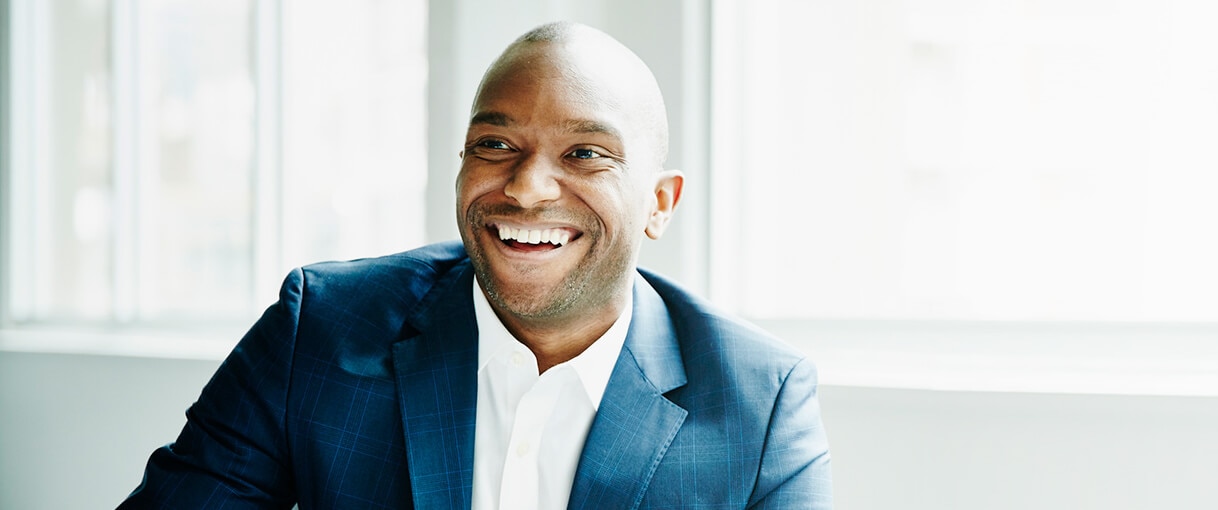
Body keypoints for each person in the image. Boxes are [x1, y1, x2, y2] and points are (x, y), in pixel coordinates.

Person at [120, 22, 831, 509]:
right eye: (495, 144)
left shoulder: (758, 402)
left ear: (659, 202)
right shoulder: (322, 329)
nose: (524, 188)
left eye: (585, 153)